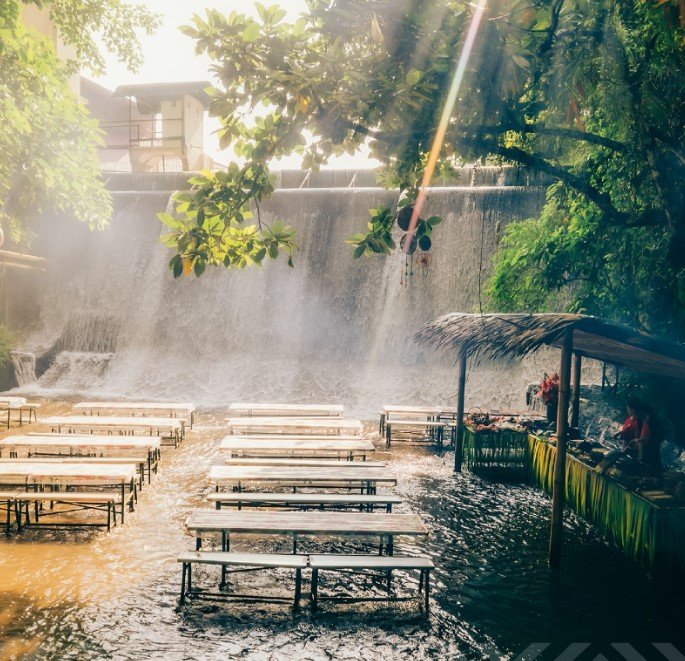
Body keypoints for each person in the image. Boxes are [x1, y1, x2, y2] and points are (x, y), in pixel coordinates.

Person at [635, 405, 665, 472]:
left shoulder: (652, 420)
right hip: (649, 446)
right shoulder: (648, 419)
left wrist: (643, 439)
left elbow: (653, 436)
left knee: (654, 464)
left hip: (652, 446)